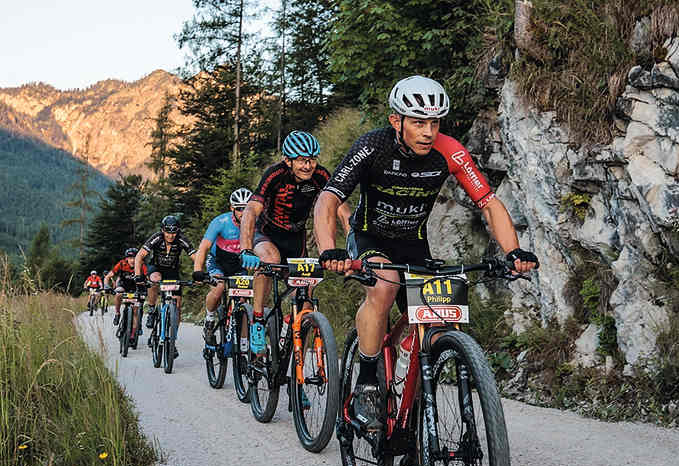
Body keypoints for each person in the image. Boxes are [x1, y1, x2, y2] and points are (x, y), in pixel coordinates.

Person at [314, 75, 538, 431]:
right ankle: (368, 382)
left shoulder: (449, 151)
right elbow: (329, 198)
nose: (428, 131)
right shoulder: (373, 146)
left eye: (434, 122)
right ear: (396, 121)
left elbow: (488, 202)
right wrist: (329, 250)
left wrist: (513, 252)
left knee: (437, 316)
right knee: (385, 287)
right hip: (370, 238)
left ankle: (407, 366)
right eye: (418, 122)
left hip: (413, 244)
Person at [239, 130, 352, 355]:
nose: (308, 166)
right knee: (270, 260)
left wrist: (353, 249)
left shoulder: (321, 176)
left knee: (306, 295)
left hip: (296, 239)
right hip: (267, 234)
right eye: (301, 160)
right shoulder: (274, 174)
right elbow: (251, 211)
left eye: (312, 159)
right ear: (288, 160)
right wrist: (246, 248)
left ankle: (291, 340)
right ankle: (258, 321)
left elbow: (342, 211)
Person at [192, 187, 252, 341]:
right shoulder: (221, 222)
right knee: (218, 289)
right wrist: (198, 270)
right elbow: (204, 247)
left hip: (238, 265)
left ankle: (244, 343)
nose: (243, 213)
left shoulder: (255, 223)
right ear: (232, 208)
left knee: (244, 299)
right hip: (217, 261)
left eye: (247, 208)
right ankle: (210, 317)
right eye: (239, 209)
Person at [134, 215, 193, 339]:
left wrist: (199, 272)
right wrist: (138, 275)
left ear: (178, 231)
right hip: (156, 267)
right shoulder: (156, 238)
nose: (170, 235)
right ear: (162, 230)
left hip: (172, 271)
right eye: (167, 232)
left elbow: (195, 256)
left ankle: (173, 338)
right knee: (154, 278)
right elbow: (139, 256)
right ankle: (151, 309)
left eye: (174, 232)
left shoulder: (181, 239)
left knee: (177, 306)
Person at [105, 248, 139, 325]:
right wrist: (106, 286)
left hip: (135, 287)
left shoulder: (141, 264)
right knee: (118, 293)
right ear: (126, 258)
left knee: (138, 305)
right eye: (130, 258)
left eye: (134, 258)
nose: (132, 260)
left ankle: (137, 325)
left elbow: (148, 276)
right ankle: (117, 313)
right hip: (123, 285)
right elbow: (108, 276)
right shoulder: (121, 264)